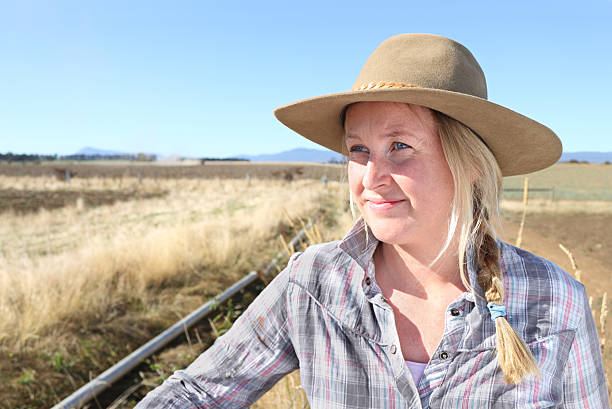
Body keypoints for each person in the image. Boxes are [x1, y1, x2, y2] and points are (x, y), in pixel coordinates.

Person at [136, 34, 609, 408]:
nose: (371, 176)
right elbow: (198, 394)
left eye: (399, 147)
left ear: (469, 165)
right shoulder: (314, 285)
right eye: (357, 150)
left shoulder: (552, 303)